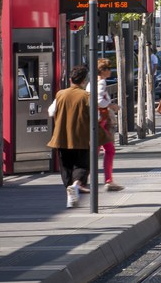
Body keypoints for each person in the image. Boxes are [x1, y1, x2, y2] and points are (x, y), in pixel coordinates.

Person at [47, 66, 96, 208]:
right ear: (84, 81)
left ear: (70, 79)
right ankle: (75, 185)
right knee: (82, 165)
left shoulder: (60, 94)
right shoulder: (87, 96)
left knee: (66, 167)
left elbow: (51, 112)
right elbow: (96, 116)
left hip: (61, 138)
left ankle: (70, 195)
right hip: (81, 138)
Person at [96, 59, 124, 191]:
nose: (110, 71)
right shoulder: (101, 82)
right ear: (103, 71)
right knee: (108, 150)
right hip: (101, 122)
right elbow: (99, 100)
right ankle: (80, 181)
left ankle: (107, 179)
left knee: (101, 150)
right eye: (108, 68)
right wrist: (111, 105)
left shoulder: (93, 83)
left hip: (98, 121)